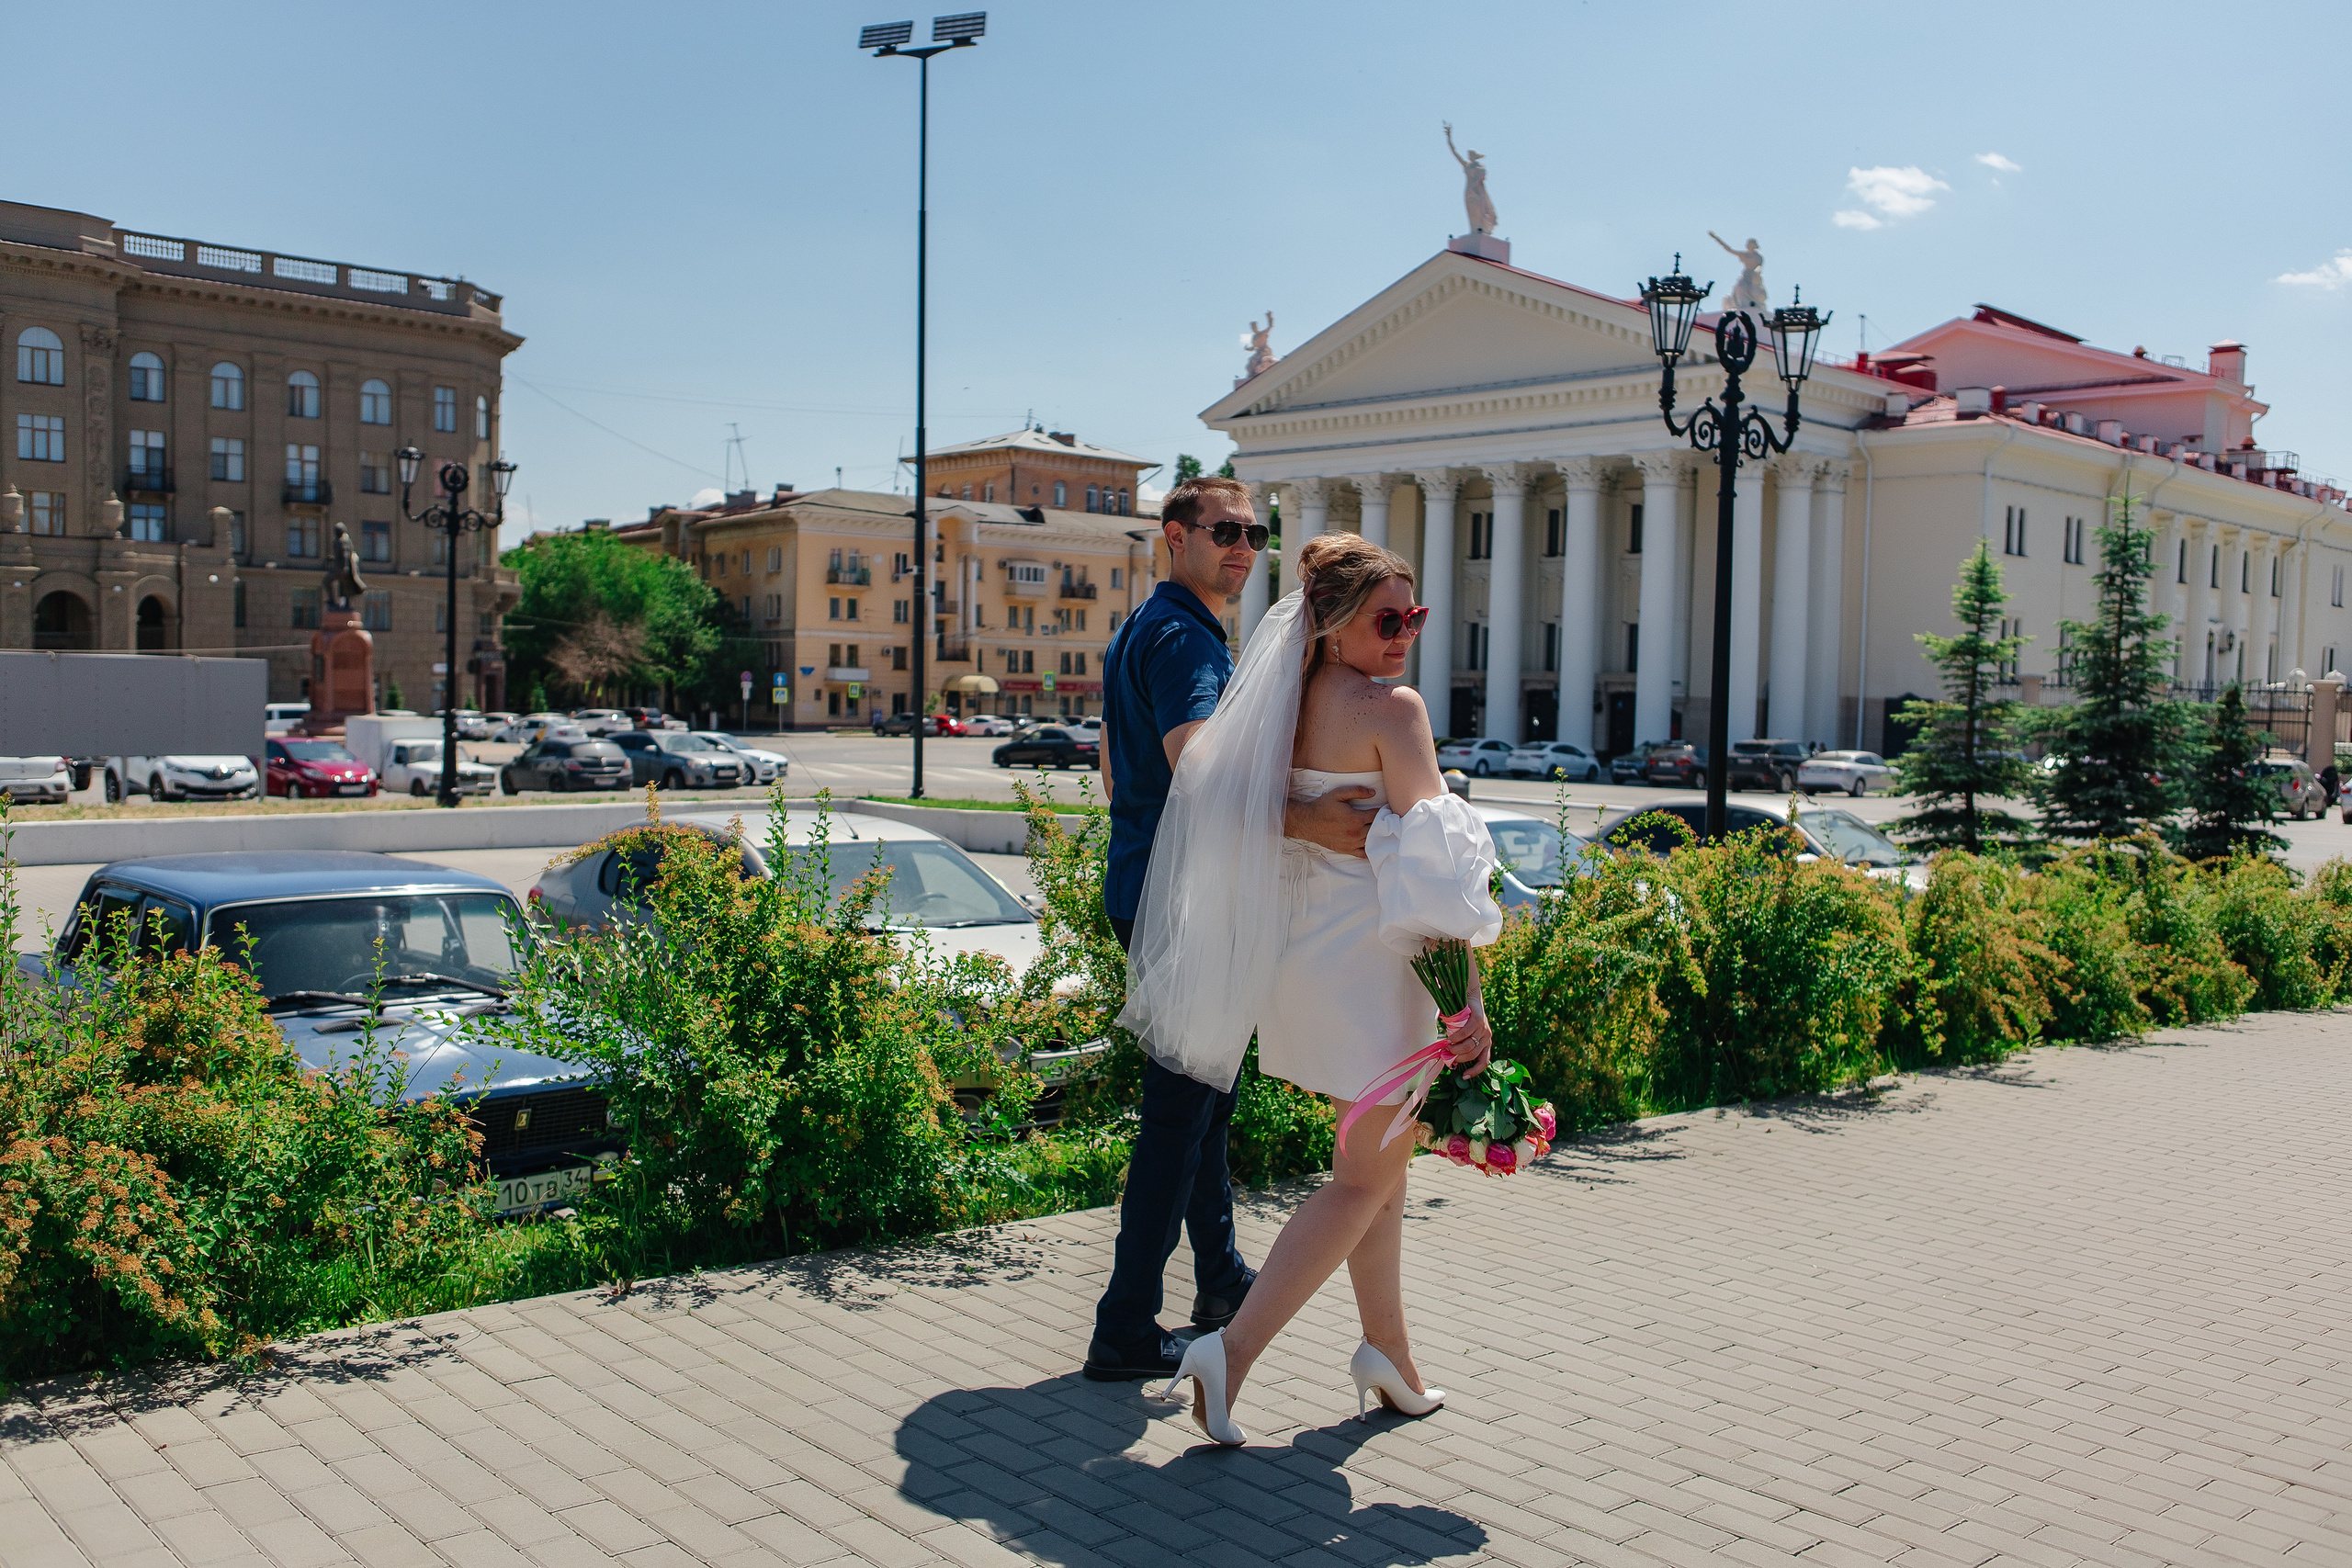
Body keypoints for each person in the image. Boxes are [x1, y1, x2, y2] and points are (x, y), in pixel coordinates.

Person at [1121, 532, 1504, 1444]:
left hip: (1304, 967)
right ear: (1332, 623)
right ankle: (1233, 1352)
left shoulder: (1278, 708)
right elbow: (1437, 876)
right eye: (1387, 617)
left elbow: (1217, 803)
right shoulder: (1390, 710)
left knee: (1377, 1173)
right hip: (1382, 971)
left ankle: (1390, 1354)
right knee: (1360, 1181)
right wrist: (1468, 1002)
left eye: (1415, 616)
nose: (1406, 633)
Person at [1084, 476, 1377, 1382]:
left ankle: (1219, 1280)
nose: (1244, 547)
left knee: (1203, 1101)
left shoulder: (1147, 625)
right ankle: (1124, 1327)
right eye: (1225, 531)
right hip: (1183, 901)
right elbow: (1204, 770)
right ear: (1174, 536)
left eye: (1257, 532)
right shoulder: (1185, 641)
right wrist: (1314, 819)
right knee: (1179, 1113)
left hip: (1148, 885)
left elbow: (1110, 769)